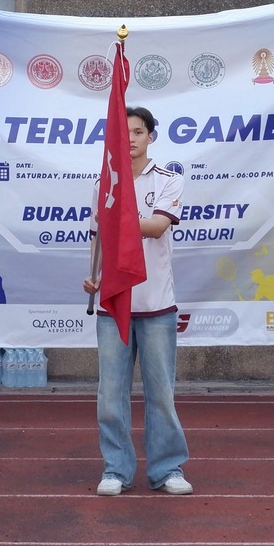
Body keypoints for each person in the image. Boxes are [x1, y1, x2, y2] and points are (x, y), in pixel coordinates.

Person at [81, 106, 192, 497]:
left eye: (138, 131)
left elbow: (157, 226)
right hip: (113, 304)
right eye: (123, 131)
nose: (130, 138)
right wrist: (94, 275)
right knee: (111, 397)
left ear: (150, 137)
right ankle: (116, 468)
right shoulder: (104, 184)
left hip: (156, 304)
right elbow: (97, 237)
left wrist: (115, 216)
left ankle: (168, 469)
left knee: (161, 395)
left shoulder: (169, 180)